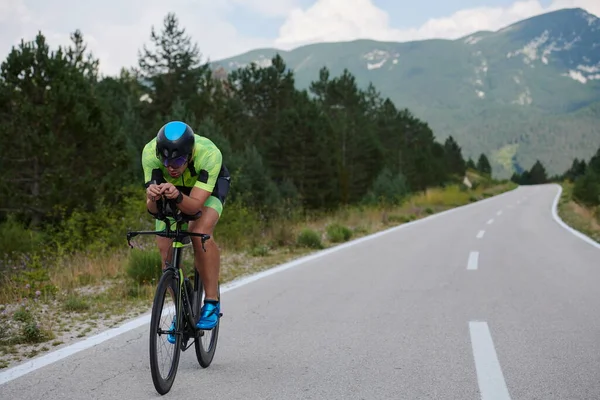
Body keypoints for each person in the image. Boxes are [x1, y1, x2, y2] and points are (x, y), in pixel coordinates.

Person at [142, 120, 230, 335]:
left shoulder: (209, 153)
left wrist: (179, 195)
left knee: (200, 233)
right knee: (165, 246)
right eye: (165, 161)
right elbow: (154, 210)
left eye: (178, 161)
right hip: (173, 190)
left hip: (205, 190)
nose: (171, 167)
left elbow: (194, 207)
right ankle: (182, 306)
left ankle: (211, 301)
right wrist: (152, 198)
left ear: (189, 154)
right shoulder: (149, 152)